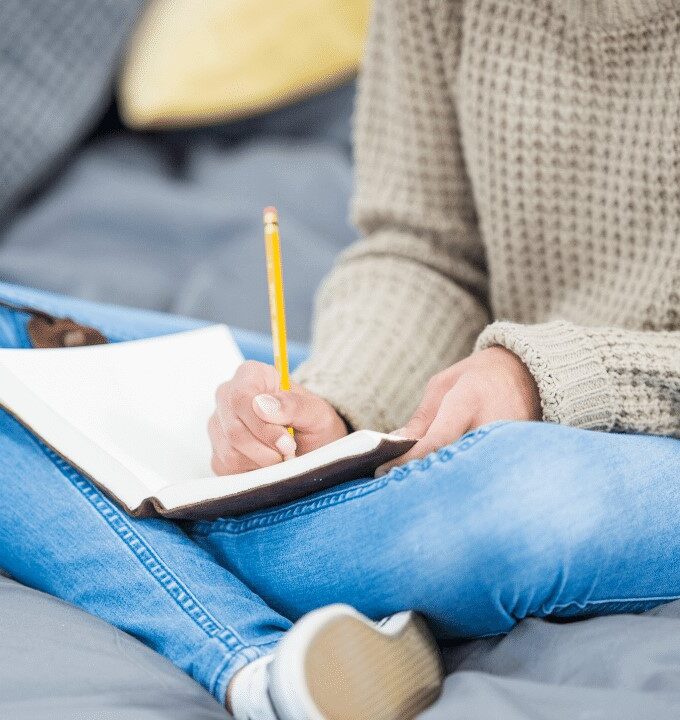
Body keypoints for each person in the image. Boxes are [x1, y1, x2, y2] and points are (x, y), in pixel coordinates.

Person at [2, 1, 680, 719]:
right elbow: (422, 250)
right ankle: (263, 667)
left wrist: (551, 377)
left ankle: (136, 530)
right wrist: (335, 403)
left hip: (612, 438)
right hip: (479, 398)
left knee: (517, 497)